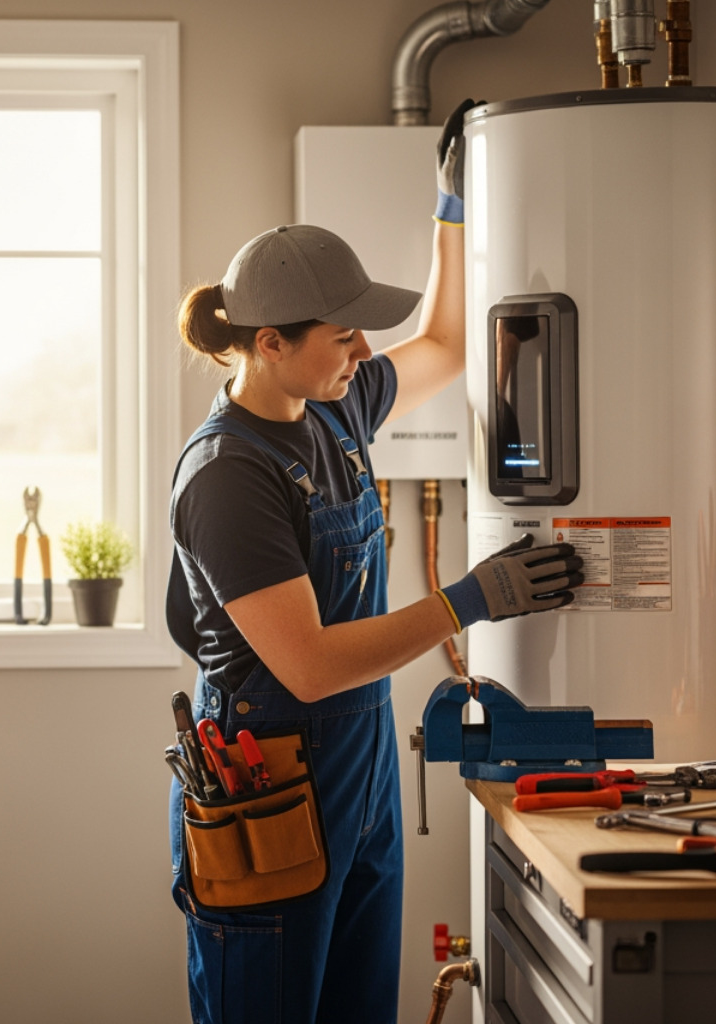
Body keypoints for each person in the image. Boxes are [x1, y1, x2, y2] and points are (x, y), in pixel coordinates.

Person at [165, 101, 583, 1024]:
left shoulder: (331, 409)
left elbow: (440, 342)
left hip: (359, 767)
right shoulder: (229, 475)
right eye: (342, 335)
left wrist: (450, 208)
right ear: (267, 345)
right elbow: (309, 666)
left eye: (360, 331)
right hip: (267, 778)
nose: (362, 351)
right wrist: (471, 599)